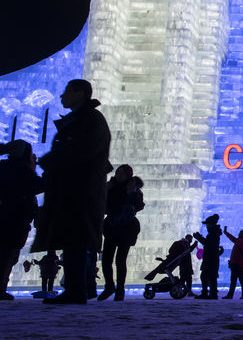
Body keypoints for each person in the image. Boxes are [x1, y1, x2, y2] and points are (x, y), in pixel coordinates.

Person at [33, 79, 112, 305]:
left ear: (80, 93)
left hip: (79, 189)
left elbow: (79, 152)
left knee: (76, 239)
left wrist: (50, 161)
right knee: (73, 240)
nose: (62, 96)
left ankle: (76, 290)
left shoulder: (89, 120)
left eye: (67, 91)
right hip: (75, 188)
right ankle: (75, 288)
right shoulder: (83, 119)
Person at [0, 140, 43, 300]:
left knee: (7, 253)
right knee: (8, 254)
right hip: (16, 218)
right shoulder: (22, 171)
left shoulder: (5, 167)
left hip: (9, 215)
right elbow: (37, 185)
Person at [98, 166, 144, 301]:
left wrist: (132, 194)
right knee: (106, 259)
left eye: (121, 173)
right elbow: (104, 205)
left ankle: (119, 289)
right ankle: (110, 286)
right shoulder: (110, 186)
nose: (118, 175)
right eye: (117, 172)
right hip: (113, 225)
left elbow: (139, 205)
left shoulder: (133, 188)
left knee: (120, 260)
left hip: (126, 227)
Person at [193, 214, 223, 299]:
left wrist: (199, 237)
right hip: (210, 258)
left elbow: (208, 244)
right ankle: (209, 293)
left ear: (211, 224)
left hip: (210, 259)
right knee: (208, 276)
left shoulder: (214, 233)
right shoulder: (214, 233)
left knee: (209, 276)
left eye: (207, 224)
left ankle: (211, 294)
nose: (206, 226)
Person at [223, 228, 243, 299]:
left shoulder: (241, 241)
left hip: (237, 264)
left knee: (234, 280)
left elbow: (233, 239)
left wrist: (226, 233)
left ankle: (230, 295)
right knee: (242, 280)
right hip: (241, 264)